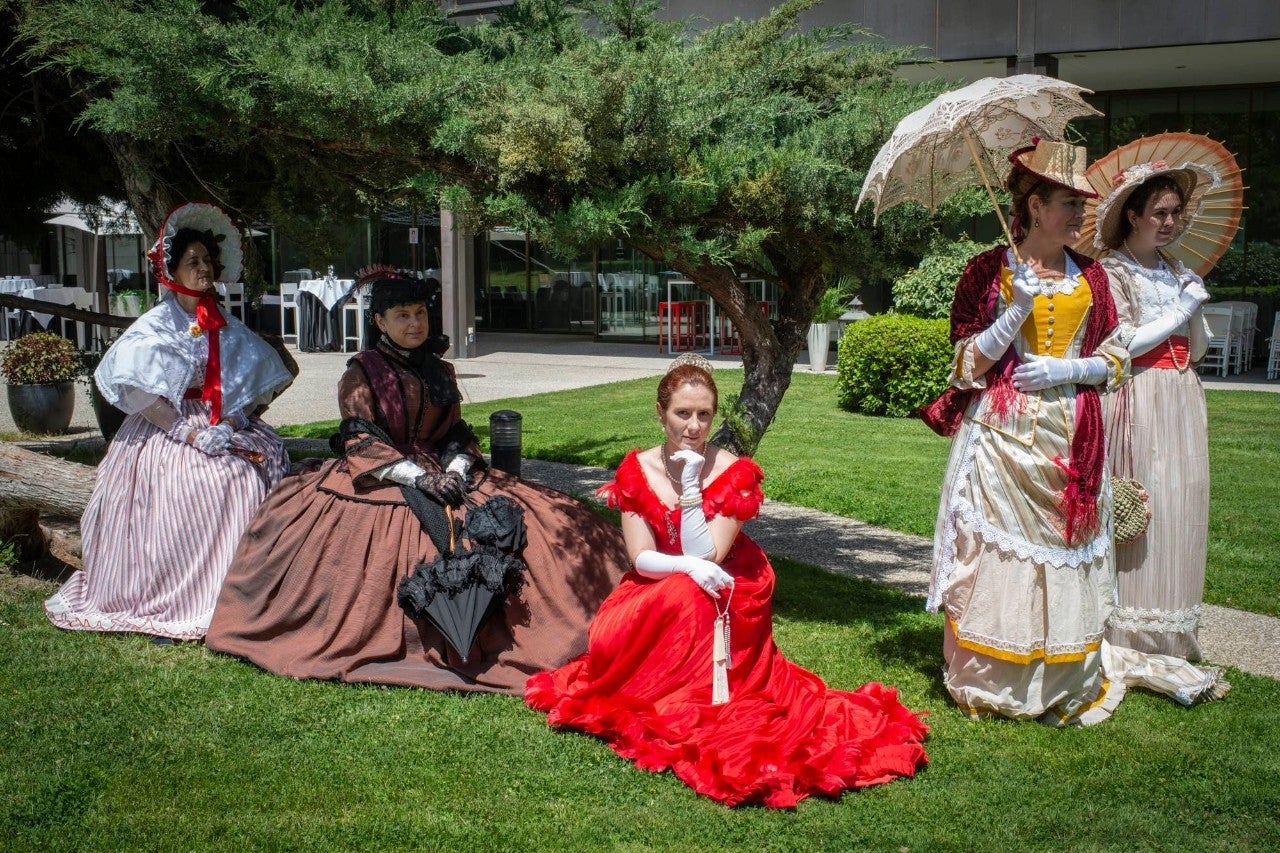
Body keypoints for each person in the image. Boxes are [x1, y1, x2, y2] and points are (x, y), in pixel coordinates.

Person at [526, 355, 928, 809]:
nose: (694, 426)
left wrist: (694, 488)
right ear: (660, 414)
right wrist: (684, 568)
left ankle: (688, 702)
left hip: (729, 584)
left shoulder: (733, 471)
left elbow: (708, 555)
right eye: (682, 413)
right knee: (671, 596)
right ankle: (662, 692)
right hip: (658, 578)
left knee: (693, 593)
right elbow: (640, 557)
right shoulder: (637, 470)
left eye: (704, 415)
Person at [206, 269, 629, 694]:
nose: (414, 324)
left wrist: (456, 469)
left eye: (420, 313)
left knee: (537, 524)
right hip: (379, 474)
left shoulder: (438, 369)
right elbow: (359, 439)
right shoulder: (362, 372)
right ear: (380, 322)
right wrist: (420, 478)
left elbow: (456, 434)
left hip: (442, 469)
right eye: (402, 315)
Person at [920, 139, 1132, 725]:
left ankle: (1063, 675)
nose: (1079, 214)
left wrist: (1074, 368)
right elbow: (965, 365)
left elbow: (1118, 357)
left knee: (1065, 552)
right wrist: (1012, 312)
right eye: (1068, 202)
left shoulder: (1093, 279)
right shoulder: (989, 272)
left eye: (1082, 205)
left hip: (1070, 432)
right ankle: (1000, 680)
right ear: (1035, 205)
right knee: (999, 551)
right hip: (1003, 435)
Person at [45, 202, 293, 641]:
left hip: (217, 423)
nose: (203, 268)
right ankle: (187, 596)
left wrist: (231, 425)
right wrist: (188, 432)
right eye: (192, 261)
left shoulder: (224, 323)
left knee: (264, 463)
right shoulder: (156, 326)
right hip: (167, 427)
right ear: (171, 270)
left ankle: (244, 596)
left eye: (207, 260)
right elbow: (140, 392)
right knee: (203, 483)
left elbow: (250, 385)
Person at [1093, 159, 1230, 700]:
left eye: (1176, 214)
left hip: (1181, 395)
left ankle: (1173, 631)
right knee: (1140, 505)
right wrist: (1180, 309)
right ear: (1133, 215)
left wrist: (1192, 308)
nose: (1170, 223)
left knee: (1181, 504)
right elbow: (1123, 345)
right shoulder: (1113, 272)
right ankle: (1130, 628)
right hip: (1139, 394)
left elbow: (1194, 350)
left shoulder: (1176, 271)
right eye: (1159, 213)